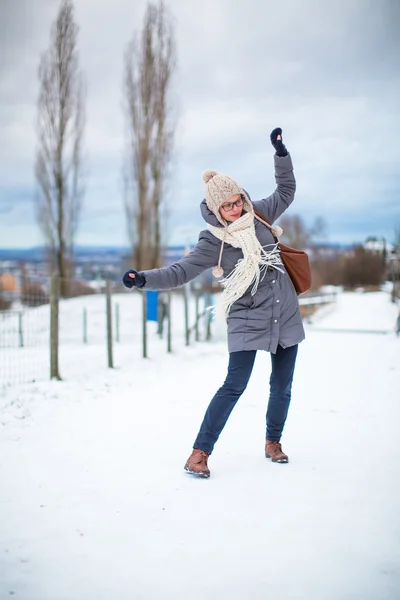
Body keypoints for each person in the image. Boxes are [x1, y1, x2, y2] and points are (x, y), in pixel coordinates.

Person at [122, 128, 305, 478]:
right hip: (247, 315)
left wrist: (281, 154)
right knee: (234, 384)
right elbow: (180, 272)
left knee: (282, 385)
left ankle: (273, 442)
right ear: (215, 209)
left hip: (283, 310)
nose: (236, 209)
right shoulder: (213, 242)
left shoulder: (261, 214)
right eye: (227, 205)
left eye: (237, 200)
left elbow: (287, 190)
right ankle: (199, 453)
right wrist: (143, 279)